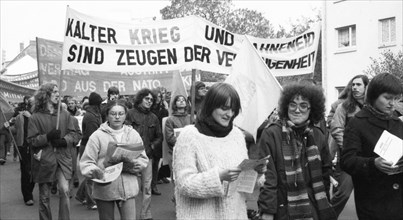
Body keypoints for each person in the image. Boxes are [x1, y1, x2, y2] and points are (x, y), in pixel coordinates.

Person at [173, 83, 264, 219]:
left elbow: (242, 186)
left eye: (233, 110)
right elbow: (184, 184)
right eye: (225, 108)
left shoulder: (237, 135)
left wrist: (256, 174)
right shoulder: (189, 136)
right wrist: (218, 177)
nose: (230, 114)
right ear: (210, 106)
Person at [258, 83, 336, 220]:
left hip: (314, 209)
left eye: (303, 105)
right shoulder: (271, 134)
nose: (297, 110)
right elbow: (267, 177)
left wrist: (325, 204)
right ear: (286, 106)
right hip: (282, 210)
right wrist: (268, 211)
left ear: (312, 109)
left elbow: (325, 174)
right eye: (293, 104)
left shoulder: (318, 135)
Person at [341, 73, 403, 219]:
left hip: (398, 201)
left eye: (396, 98)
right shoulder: (357, 123)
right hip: (372, 201)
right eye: (387, 98)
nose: (392, 103)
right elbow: (347, 161)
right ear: (374, 96)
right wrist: (373, 163)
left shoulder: (397, 123)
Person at [80, 100, 149, 220]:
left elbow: (143, 157)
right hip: (105, 187)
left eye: (121, 113)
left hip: (128, 186)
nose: (117, 117)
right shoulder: (97, 136)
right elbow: (86, 162)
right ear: (107, 115)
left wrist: (138, 164)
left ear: (125, 115)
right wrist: (95, 171)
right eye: (113, 114)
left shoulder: (133, 134)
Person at [27, 83, 81, 220]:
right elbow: (32, 141)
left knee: (65, 190)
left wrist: (64, 141)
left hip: (63, 159)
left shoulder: (65, 114)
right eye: (55, 92)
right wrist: (47, 137)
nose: (58, 94)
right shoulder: (35, 117)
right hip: (45, 161)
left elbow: (74, 134)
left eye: (59, 91)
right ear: (45, 95)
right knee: (44, 197)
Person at [329, 74, 369, 217]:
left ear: (366, 87)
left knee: (368, 196)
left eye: (358, 85)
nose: (354, 87)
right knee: (343, 193)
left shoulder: (372, 107)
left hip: (368, 159)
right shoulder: (343, 107)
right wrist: (347, 148)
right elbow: (336, 128)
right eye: (353, 85)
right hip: (349, 157)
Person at [125, 88, 162, 220]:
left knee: (147, 187)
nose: (150, 101)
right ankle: (131, 215)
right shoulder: (130, 114)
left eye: (152, 100)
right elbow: (124, 132)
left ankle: (145, 214)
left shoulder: (154, 117)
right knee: (133, 188)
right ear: (140, 99)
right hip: (132, 156)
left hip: (148, 157)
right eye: (147, 99)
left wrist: (152, 146)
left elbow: (159, 136)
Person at [3, 96, 35, 205]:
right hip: (23, 146)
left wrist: (31, 118)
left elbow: (40, 129)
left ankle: (29, 191)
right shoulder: (20, 117)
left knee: (34, 172)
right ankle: (27, 196)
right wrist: (8, 127)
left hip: (36, 147)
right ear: (29, 105)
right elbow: (16, 129)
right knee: (26, 171)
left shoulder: (38, 116)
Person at [75, 92, 103, 210]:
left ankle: (80, 195)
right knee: (91, 174)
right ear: (97, 104)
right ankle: (90, 201)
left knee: (90, 174)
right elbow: (93, 136)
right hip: (89, 146)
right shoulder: (91, 116)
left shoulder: (94, 114)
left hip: (89, 145)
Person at [164, 94, 191, 201]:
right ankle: (177, 199)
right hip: (175, 153)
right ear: (175, 104)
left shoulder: (191, 118)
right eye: (178, 100)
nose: (181, 101)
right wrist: (185, 143)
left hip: (190, 153)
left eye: (183, 100)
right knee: (176, 178)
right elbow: (170, 138)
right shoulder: (170, 120)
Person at [150, 88, 169, 195]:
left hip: (159, 139)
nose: (158, 98)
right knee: (148, 164)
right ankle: (147, 185)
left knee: (155, 163)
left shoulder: (164, 111)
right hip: (149, 138)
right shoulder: (148, 110)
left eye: (160, 96)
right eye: (156, 96)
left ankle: (153, 185)